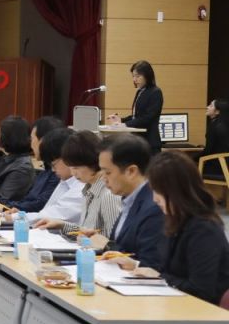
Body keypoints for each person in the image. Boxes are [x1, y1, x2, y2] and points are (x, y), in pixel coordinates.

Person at [145, 151, 229, 303]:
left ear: (176, 190)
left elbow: (201, 291)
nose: (154, 199)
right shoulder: (175, 220)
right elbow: (166, 269)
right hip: (175, 303)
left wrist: (159, 278)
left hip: (202, 311)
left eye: (158, 191)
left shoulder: (204, 230)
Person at [81, 134, 167, 269]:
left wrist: (106, 245)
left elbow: (150, 265)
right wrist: (102, 241)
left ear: (131, 171)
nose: (103, 178)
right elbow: (124, 247)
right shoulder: (129, 198)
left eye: (108, 172)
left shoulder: (154, 207)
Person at [0, 128, 84, 225]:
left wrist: (6, 217)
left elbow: (52, 215)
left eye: (54, 164)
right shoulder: (65, 181)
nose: (53, 169)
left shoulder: (80, 187)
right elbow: (46, 212)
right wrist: (18, 213)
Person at [34, 130, 122, 239]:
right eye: (71, 167)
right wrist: (61, 225)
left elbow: (114, 242)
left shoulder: (108, 196)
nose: (73, 173)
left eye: (76, 168)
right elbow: (86, 231)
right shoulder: (88, 189)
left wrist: (93, 241)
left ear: (91, 162)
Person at [0, 116, 64, 213]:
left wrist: (0, 207)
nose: (30, 143)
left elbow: (38, 205)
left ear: (43, 141)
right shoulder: (46, 171)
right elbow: (26, 201)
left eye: (32, 138)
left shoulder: (56, 174)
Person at [107, 60, 164, 153]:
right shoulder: (140, 91)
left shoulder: (156, 92)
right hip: (138, 141)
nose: (134, 80)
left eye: (137, 76)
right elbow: (136, 116)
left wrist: (125, 125)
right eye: (133, 76)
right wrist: (121, 120)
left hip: (150, 143)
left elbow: (147, 117)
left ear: (147, 75)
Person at [201, 98, 229, 178]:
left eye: (210, 105)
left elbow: (207, 151)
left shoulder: (214, 127)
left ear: (217, 112)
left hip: (217, 168)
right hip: (225, 167)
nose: (207, 107)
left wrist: (193, 158)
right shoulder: (224, 125)